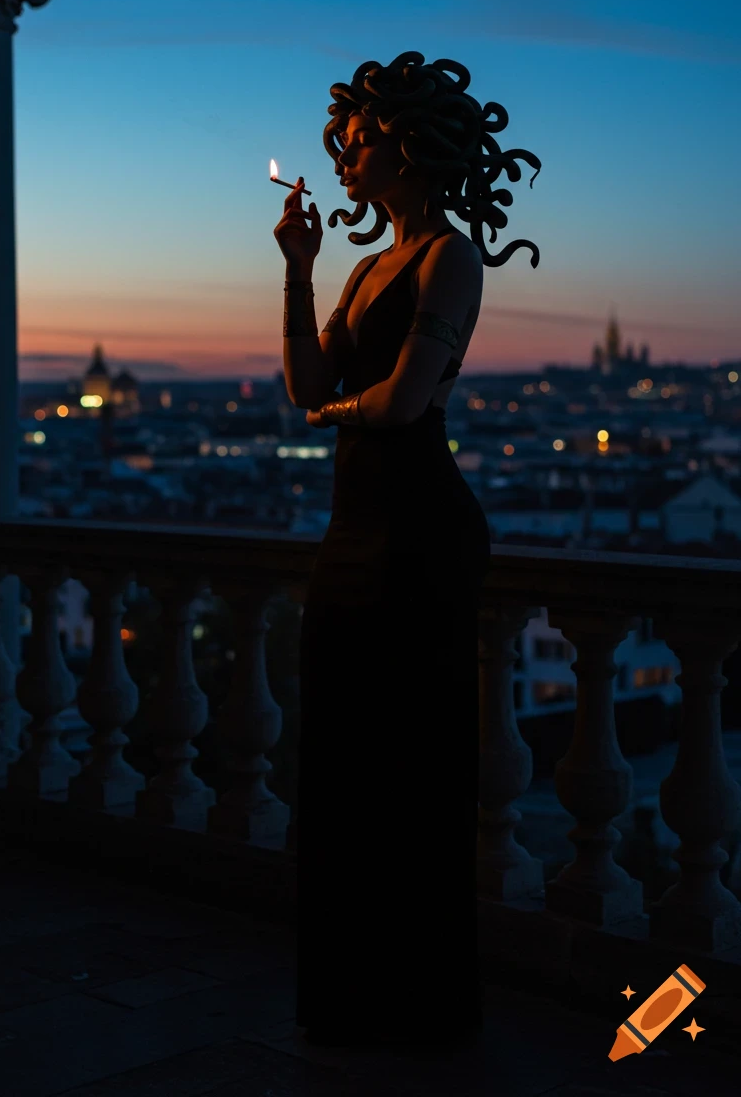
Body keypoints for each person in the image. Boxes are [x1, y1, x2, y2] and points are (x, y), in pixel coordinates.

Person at [275, 52, 542, 1048]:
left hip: (418, 527)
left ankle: (413, 1005)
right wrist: (298, 271)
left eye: (356, 139)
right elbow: (306, 388)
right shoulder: (359, 266)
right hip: (357, 528)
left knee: (408, 769)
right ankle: (356, 995)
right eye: (337, 142)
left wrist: (337, 414)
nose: (340, 157)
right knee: (347, 764)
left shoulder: (448, 256)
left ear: (407, 141)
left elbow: (397, 402)